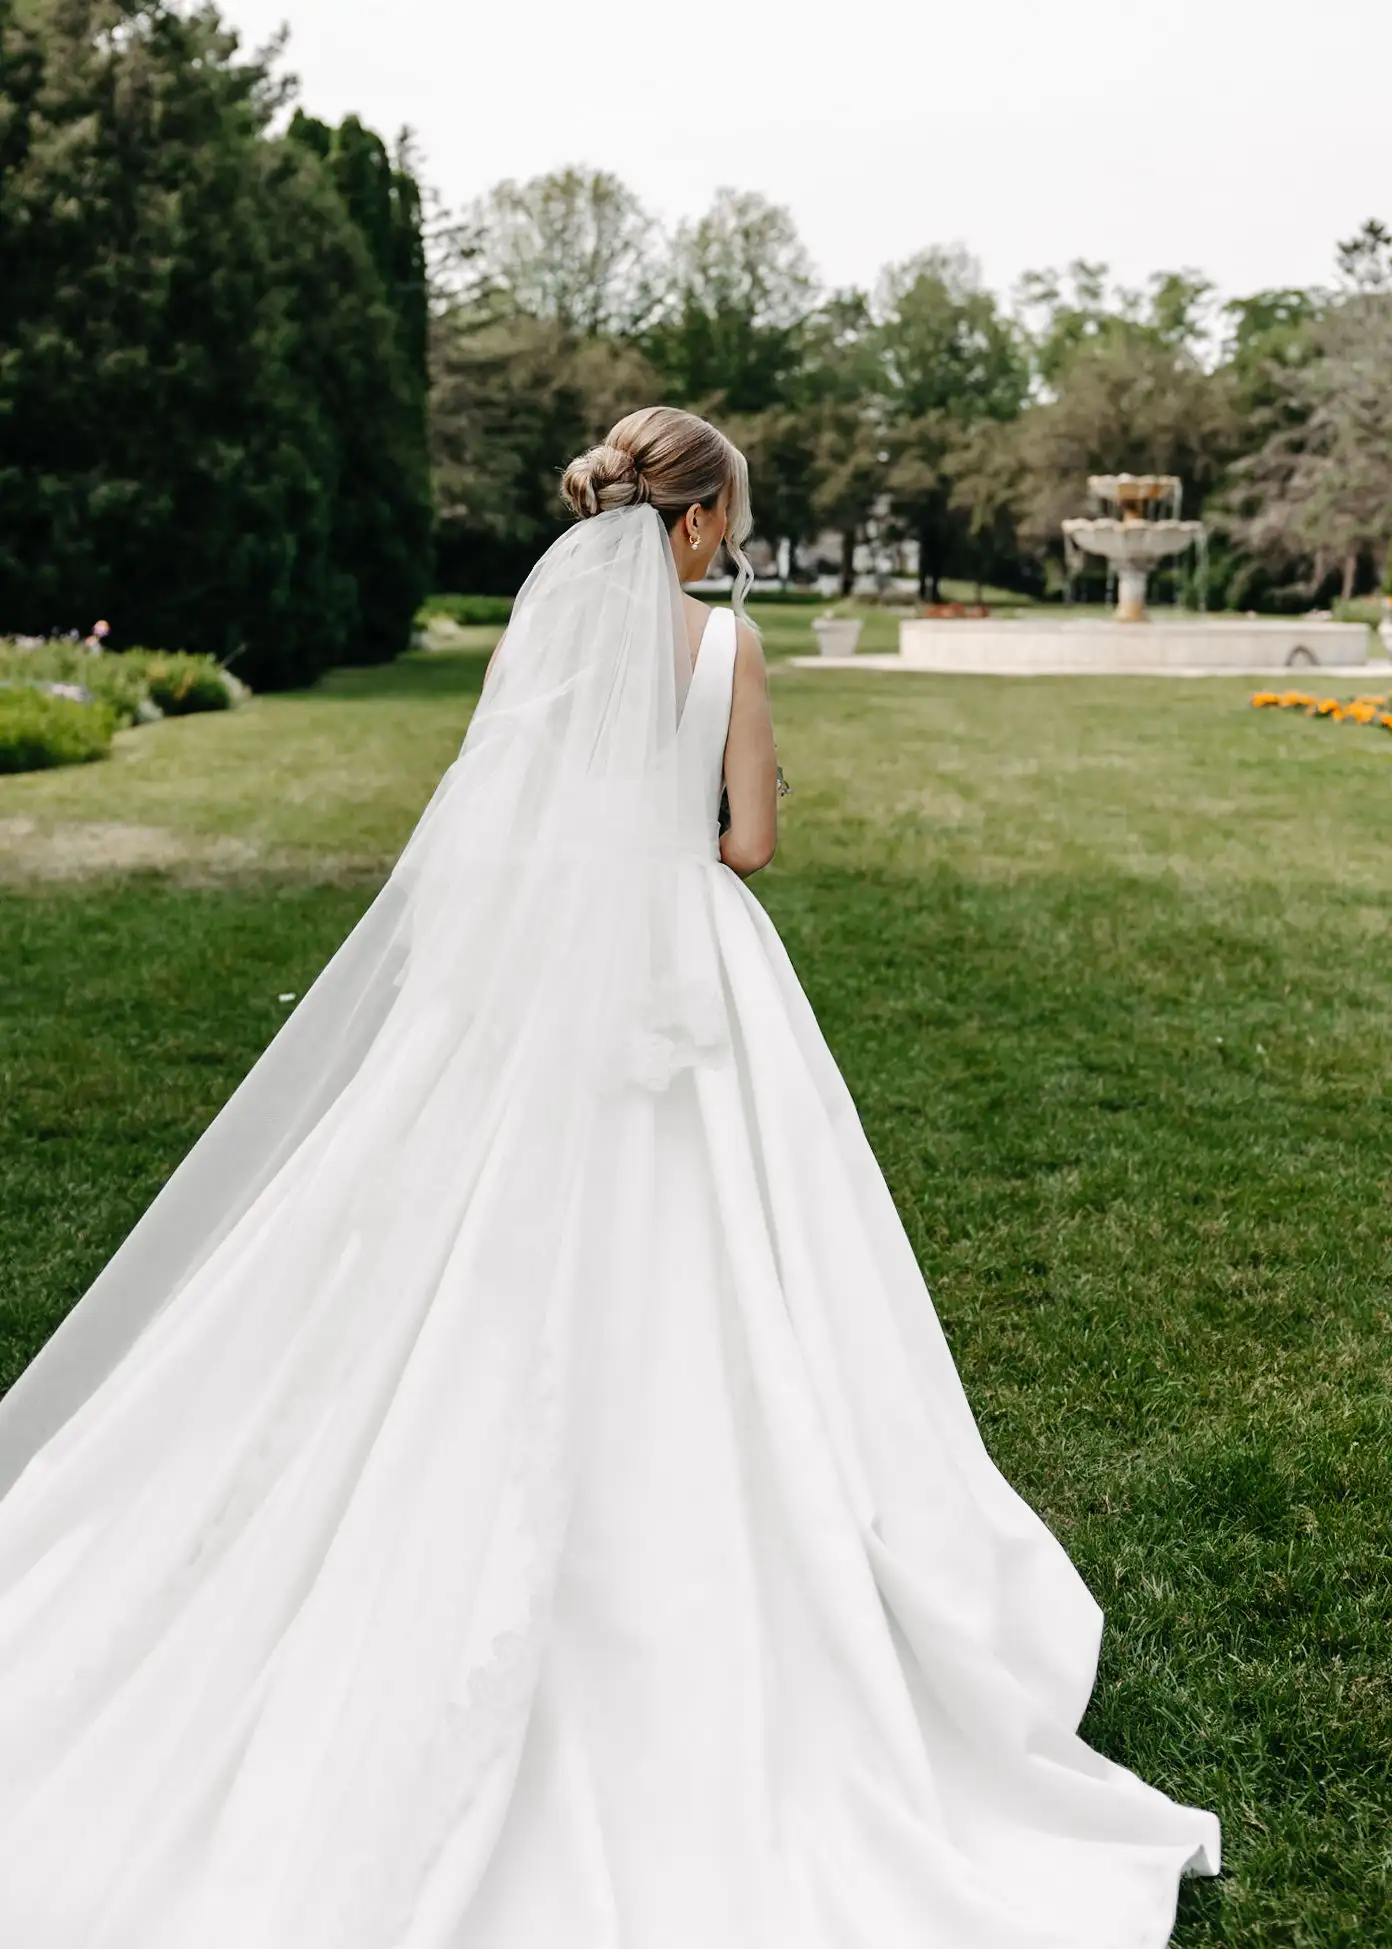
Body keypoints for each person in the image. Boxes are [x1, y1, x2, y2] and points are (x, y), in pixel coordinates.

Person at [0, 406, 1219, 1947]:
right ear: (696, 521)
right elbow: (751, 844)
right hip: (686, 971)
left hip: (529, 981)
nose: (732, 544)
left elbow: (498, 820)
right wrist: (704, 822)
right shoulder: (725, 652)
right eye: (734, 521)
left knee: (452, 1239)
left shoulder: (541, 642)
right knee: (732, 1247)